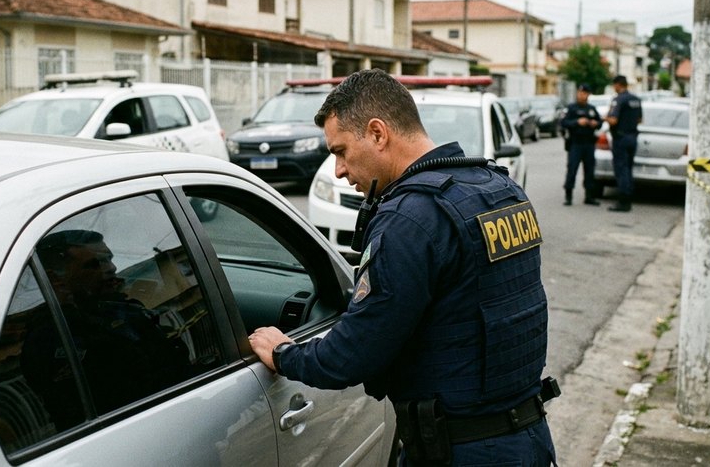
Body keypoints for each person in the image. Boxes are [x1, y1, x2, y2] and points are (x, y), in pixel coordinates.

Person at [249, 69, 558, 466]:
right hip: (529, 437)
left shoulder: (410, 219)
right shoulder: (499, 187)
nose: (339, 170)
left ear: (378, 133)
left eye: (341, 151)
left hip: (463, 451)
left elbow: (352, 354)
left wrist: (283, 353)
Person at [21, 229, 191, 429]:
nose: (111, 268)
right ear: (57, 280)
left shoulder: (119, 309)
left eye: (109, 259)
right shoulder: (51, 337)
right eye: (95, 264)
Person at [560, 83, 603, 206]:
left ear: (588, 95)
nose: (581, 95)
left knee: (589, 170)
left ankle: (589, 196)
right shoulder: (572, 108)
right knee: (572, 169)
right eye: (579, 93)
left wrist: (595, 123)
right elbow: (564, 123)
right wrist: (577, 122)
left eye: (584, 93)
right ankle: (568, 195)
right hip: (576, 143)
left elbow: (599, 122)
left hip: (589, 143)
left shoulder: (591, 108)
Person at [604, 75, 641, 212]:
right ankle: (629, 197)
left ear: (618, 85)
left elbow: (613, 120)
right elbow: (639, 119)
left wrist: (605, 118)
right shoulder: (636, 99)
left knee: (621, 169)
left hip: (621, 138)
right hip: (632, 137)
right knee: (628, 169)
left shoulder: (618, 99)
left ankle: (623, 201)